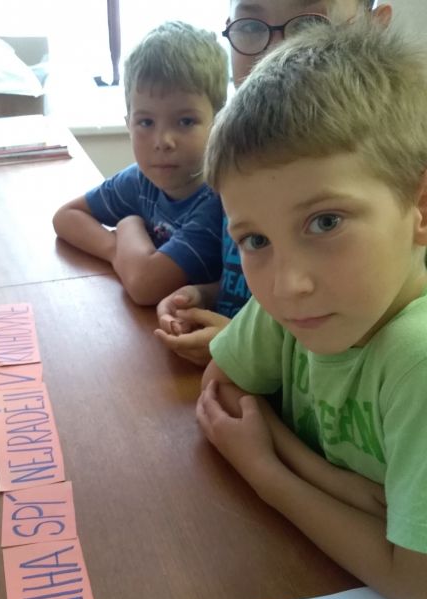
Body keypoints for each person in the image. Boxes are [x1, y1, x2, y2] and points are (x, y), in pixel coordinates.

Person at [196, 18, 427, 599]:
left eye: (325, 222)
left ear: (420, 209)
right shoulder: (302, 303)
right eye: (255, 240)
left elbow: (418, 587)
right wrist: (325, 478)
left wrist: (267, 474)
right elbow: (221, 389)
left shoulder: (417, 358)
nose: (286, 284)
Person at [155, 0, 392, 367]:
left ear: (374, 27)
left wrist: (246, 348)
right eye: (251, 26)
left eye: (311, 23)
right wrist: (206, 295)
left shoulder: (390, 184)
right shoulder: (243, 164)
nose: (275, 53)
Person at [52, 21, 229, 306]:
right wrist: (117, 252)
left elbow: (145, 286)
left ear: (219, 123)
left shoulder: (218, 202)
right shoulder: (140, 180)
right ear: (129, 125)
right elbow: (65, 217)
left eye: (185, 121)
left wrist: (128, 225)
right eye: (146, 122)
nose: (163, 141)